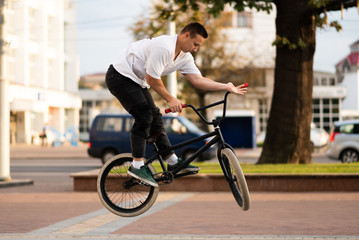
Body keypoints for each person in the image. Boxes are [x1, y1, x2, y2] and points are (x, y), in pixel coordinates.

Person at [105, 22, 247, 187]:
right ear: (185, 35)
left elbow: (198, 80)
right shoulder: (164, 47)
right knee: (145, 116)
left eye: (198, 46)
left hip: (137, 81)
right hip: (119, 77)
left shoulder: (184, 57)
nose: (196, 49)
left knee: (156, 118)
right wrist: (171, 99)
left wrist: (226, 86)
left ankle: (172, 161)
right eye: (195, 44)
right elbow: (152, 78)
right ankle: (137, 166)